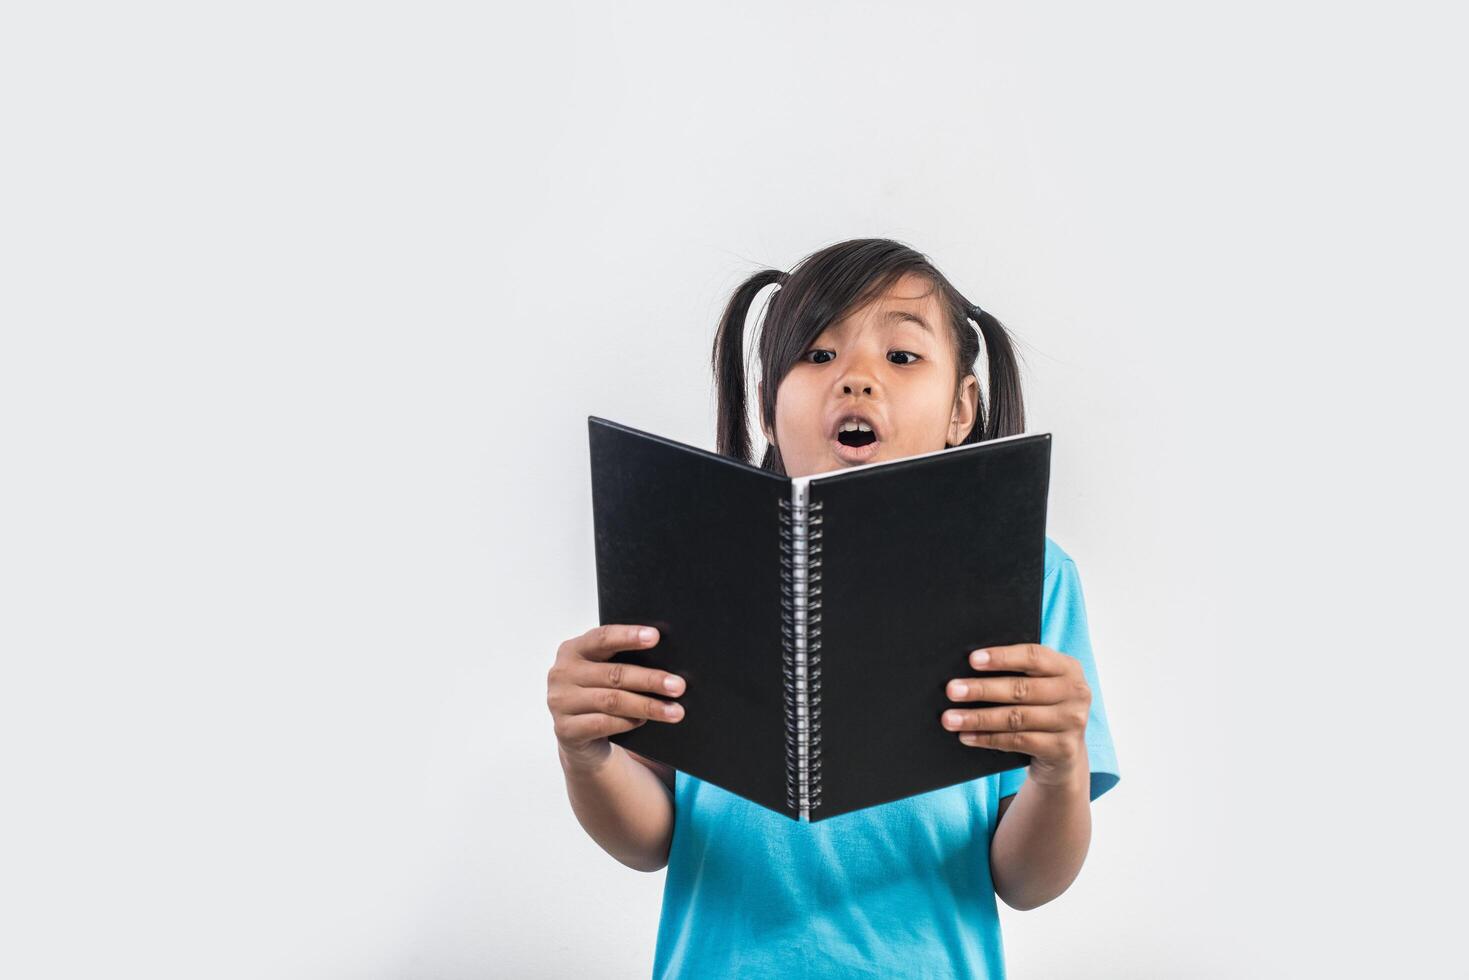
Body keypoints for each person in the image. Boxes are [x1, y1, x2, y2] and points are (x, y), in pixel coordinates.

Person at [546, 238, 1122, 978]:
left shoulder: (1032, 576)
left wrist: (1058, 769)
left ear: (961, 409)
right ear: (768, 404)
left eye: (902, 357)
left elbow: (1025, 881)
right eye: (816, 355)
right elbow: (649, 837)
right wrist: (584, 753)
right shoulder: (692, 563)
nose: (855, 379)